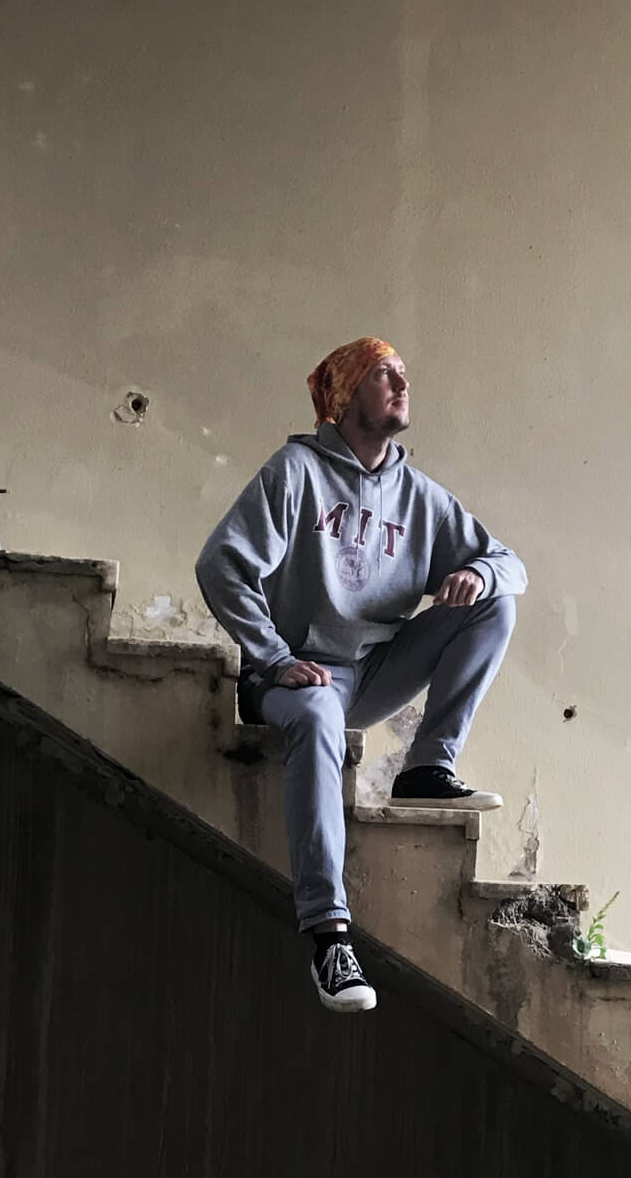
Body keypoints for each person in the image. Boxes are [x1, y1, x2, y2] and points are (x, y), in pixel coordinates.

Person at [196, 337, 527, 1014]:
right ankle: (329, 937)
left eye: (405, 373)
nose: (402, 385)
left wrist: (477, 571)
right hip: (292, 678)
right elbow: (221, 564)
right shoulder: (296, 471)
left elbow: (509, 564)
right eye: (384, 375)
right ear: (346, 395)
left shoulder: (418, 495)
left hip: (373, 671)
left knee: (497, 604)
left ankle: (427, 769)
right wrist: (274, 657)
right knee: (318, 712)